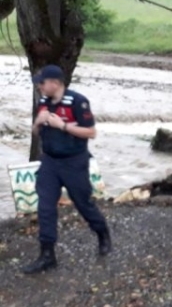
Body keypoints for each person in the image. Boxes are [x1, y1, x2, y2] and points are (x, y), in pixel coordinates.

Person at [23, 65, 111, 274]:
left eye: (42, 83)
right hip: (50, 162)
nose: (40, 87)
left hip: (74, 162)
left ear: (55, 83)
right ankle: (47, 255)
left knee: (83, 204)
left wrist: (62, 125)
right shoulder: (43, 102)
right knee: (45, 207)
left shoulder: (77, 102)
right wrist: (38, 123)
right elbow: (36, 132)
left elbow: (91, 133)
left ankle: (102, 233)